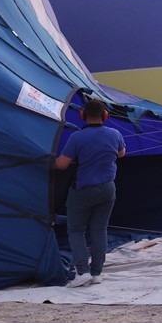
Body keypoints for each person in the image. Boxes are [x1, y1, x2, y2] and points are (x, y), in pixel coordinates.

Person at [55, 98, 125, 287]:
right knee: (99, 231)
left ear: (82, 115)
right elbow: (121, 154)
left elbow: (61, 165)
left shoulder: (77, 137)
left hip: (83, 191)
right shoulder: (115, 134)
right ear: (105, 115)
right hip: (108, 189)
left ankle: (82, 271)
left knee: (76, 230)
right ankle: (96, 273)